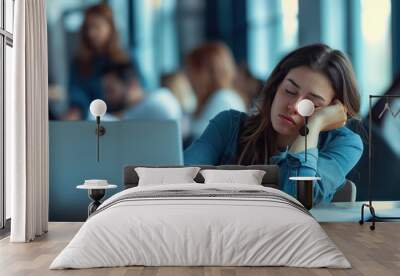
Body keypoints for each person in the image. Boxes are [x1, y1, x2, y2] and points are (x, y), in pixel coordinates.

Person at [185, 44, 364, 205]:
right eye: (289, 91)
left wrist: (313, 125)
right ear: (275, 87)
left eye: (312, 104)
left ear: (331, 111)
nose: (293, 106)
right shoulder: (229, 126)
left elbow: (296, 201)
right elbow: (181, 182)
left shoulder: (345, 144)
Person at [66, 3, 130, 120]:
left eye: (97, 27)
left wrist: (124, 94)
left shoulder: (126, 58)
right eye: (88, 28)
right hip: (94, 118)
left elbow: (141, 91)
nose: (91, 33)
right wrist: (77, 110)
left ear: (110, 27)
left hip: (127, 115)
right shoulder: (79, 63)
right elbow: (77, 97)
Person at [185, 41, 246, 139]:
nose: (188, 76)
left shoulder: (224, 99)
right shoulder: (214, 98)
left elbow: (201, 139)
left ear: (206, 72)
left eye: (190, 70)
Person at [96, 62, 181, 121]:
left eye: (111, 90)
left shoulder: (158, 102)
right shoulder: (160, 97)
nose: (107, 97)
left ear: (132, 85)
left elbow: (117, 122)